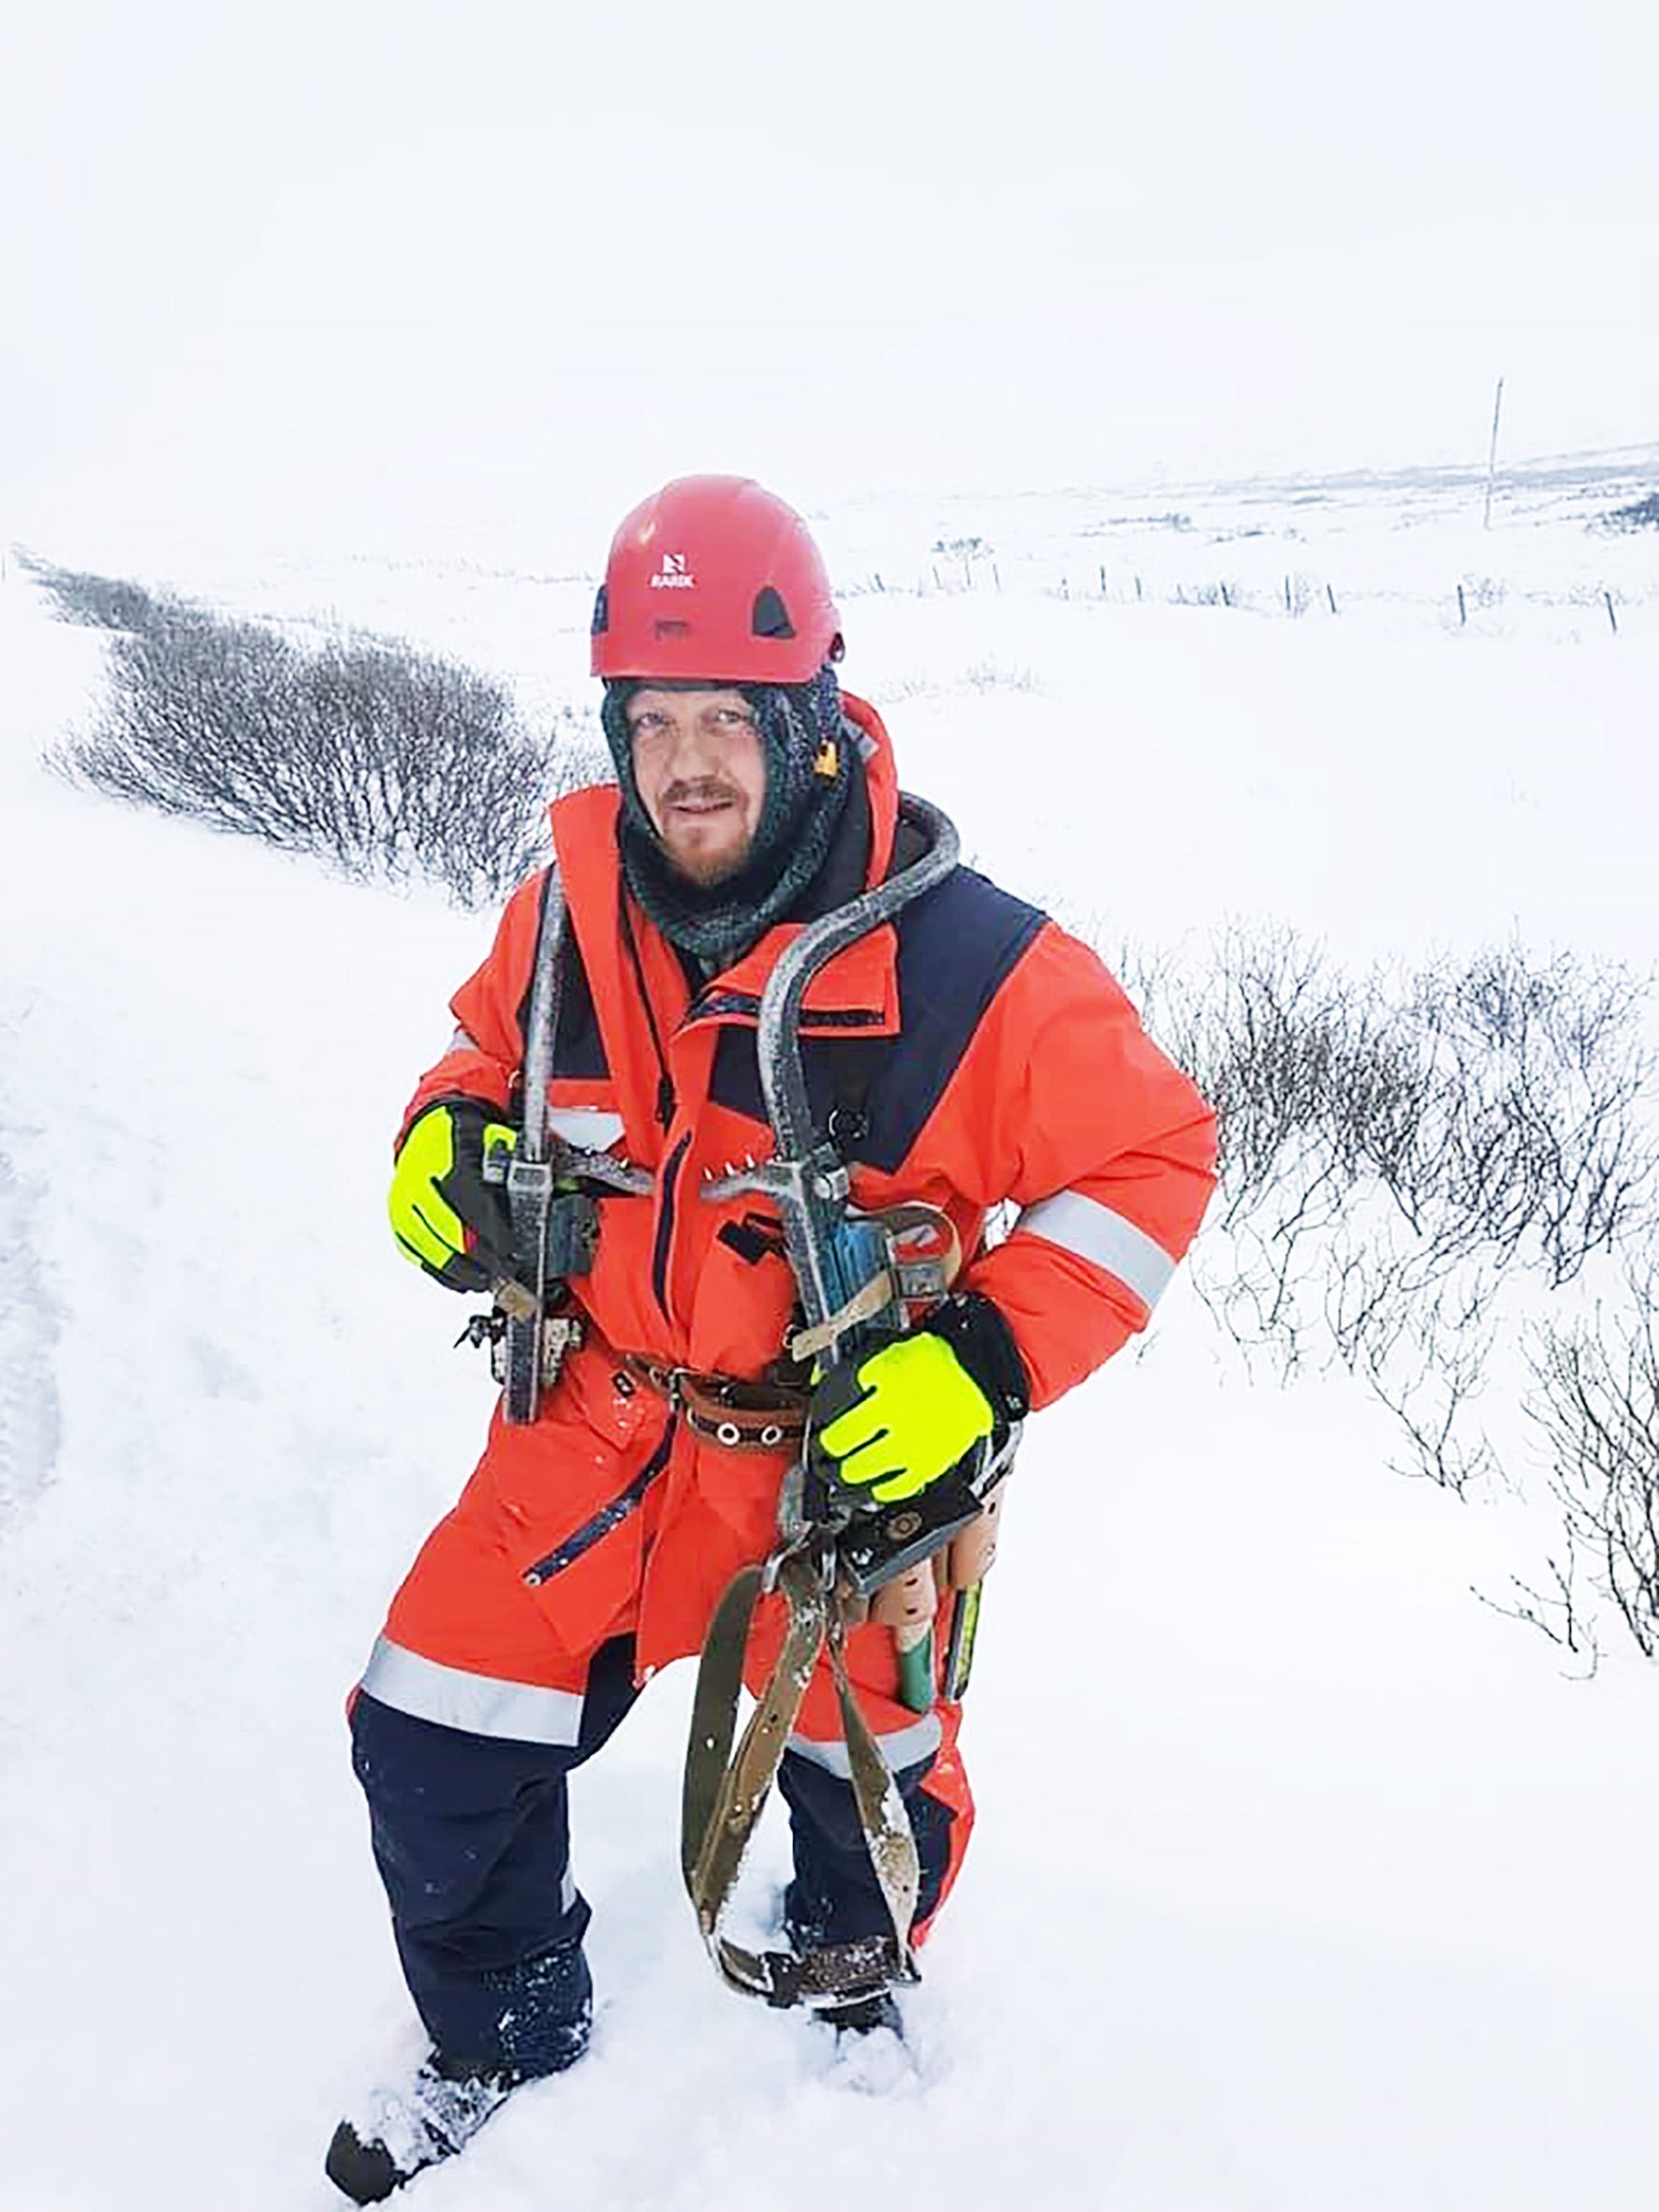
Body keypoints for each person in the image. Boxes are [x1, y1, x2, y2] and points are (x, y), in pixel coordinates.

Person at [326, 476, 1217, 2202]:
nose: (686, 766)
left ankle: (840, 2012)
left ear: (808, 721)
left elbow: (1157, 1152)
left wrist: (984, 1354)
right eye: (652, 720)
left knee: (868, 1791)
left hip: (833, 1476)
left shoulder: (972, 965)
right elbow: (474, 1052)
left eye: (729, 717)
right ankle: (501, 2032)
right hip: (590, 1427)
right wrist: (438, 1137)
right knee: (425, 1736)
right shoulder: (568, 915)